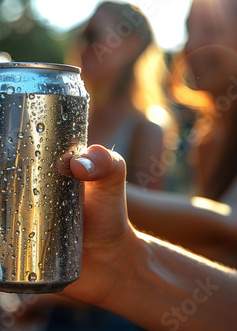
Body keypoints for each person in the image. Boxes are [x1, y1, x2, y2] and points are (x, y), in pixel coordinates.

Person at [0, 99, 237, 331]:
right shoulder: (210, 138)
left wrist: (57, 187)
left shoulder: (148, 124)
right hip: (81, 300)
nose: (191, 47)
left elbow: (230, 226)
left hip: (120, 317)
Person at [123, 0, 237, 268]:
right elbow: (210, 248)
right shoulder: (207, 141)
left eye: (212, 30)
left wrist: (87, 186)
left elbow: (235, 225)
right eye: (189, 31)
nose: (192, 47)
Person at [69, 1, 176, 190]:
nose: (82, 45)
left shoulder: (147, 128)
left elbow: (147, 215)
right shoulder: (74, 115)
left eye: (92, 35)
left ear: (131, 45)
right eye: (81, 36)